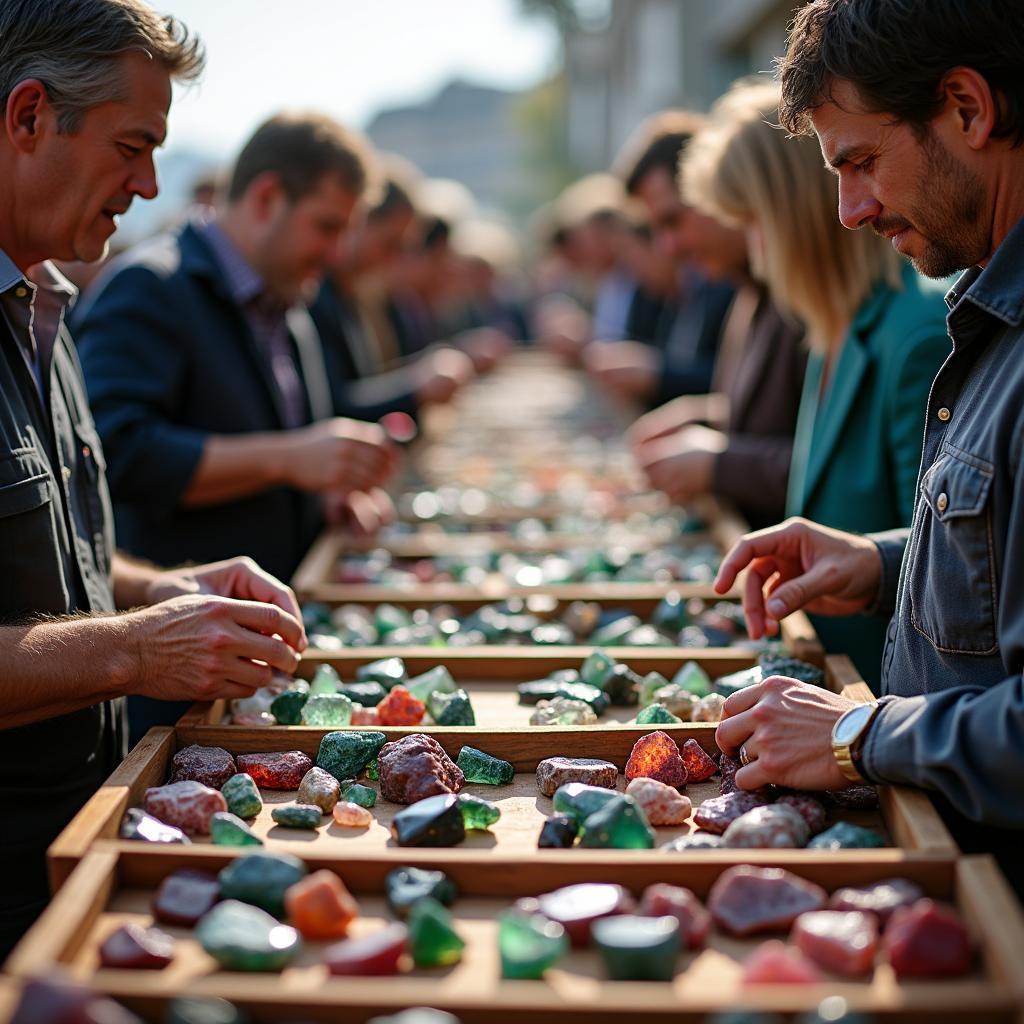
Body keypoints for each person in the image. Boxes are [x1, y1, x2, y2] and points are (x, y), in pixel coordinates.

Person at [0, 0, 308, 957]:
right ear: (28, 117)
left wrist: (162, 590)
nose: (149, 184)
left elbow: (67, 550)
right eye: (133, 146)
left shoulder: (45, 302)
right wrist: (137, 648)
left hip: (67, 850)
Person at [712, 0, 1024, 894]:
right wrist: (889, 559)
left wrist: (855, 734)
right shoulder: (989, 314)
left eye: (860, 161)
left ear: (967, 108)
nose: (848, 210)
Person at [75, 113, 401, 738]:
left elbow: (283, 450)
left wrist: (324, 493)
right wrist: (288, 458)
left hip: (255, 668)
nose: (335, 254)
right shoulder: (148, 287)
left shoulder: (288, 301)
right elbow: (119, 455)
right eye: (326, 227)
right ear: (266, 197)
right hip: (172, 694)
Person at [682, 80, 951, 686]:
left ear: (789, 218)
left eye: (751, 223)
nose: (750, 252)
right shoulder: (831, 330)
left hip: (892, 718)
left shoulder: (916, 335)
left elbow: (955, 573)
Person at [617, 110, 807, 528]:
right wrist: (703, 415)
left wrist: (719, 463)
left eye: (673, 220)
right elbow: (772, 419)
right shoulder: (749, 294)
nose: (667, 247)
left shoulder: (810, 300)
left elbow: (843, 470)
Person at [310, 167, 474, 421]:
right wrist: (417, 385)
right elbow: (332, 408)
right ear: (358, 222)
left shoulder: (354, 294)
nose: (395, 258)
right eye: (390, 243)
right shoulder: (315, 295)